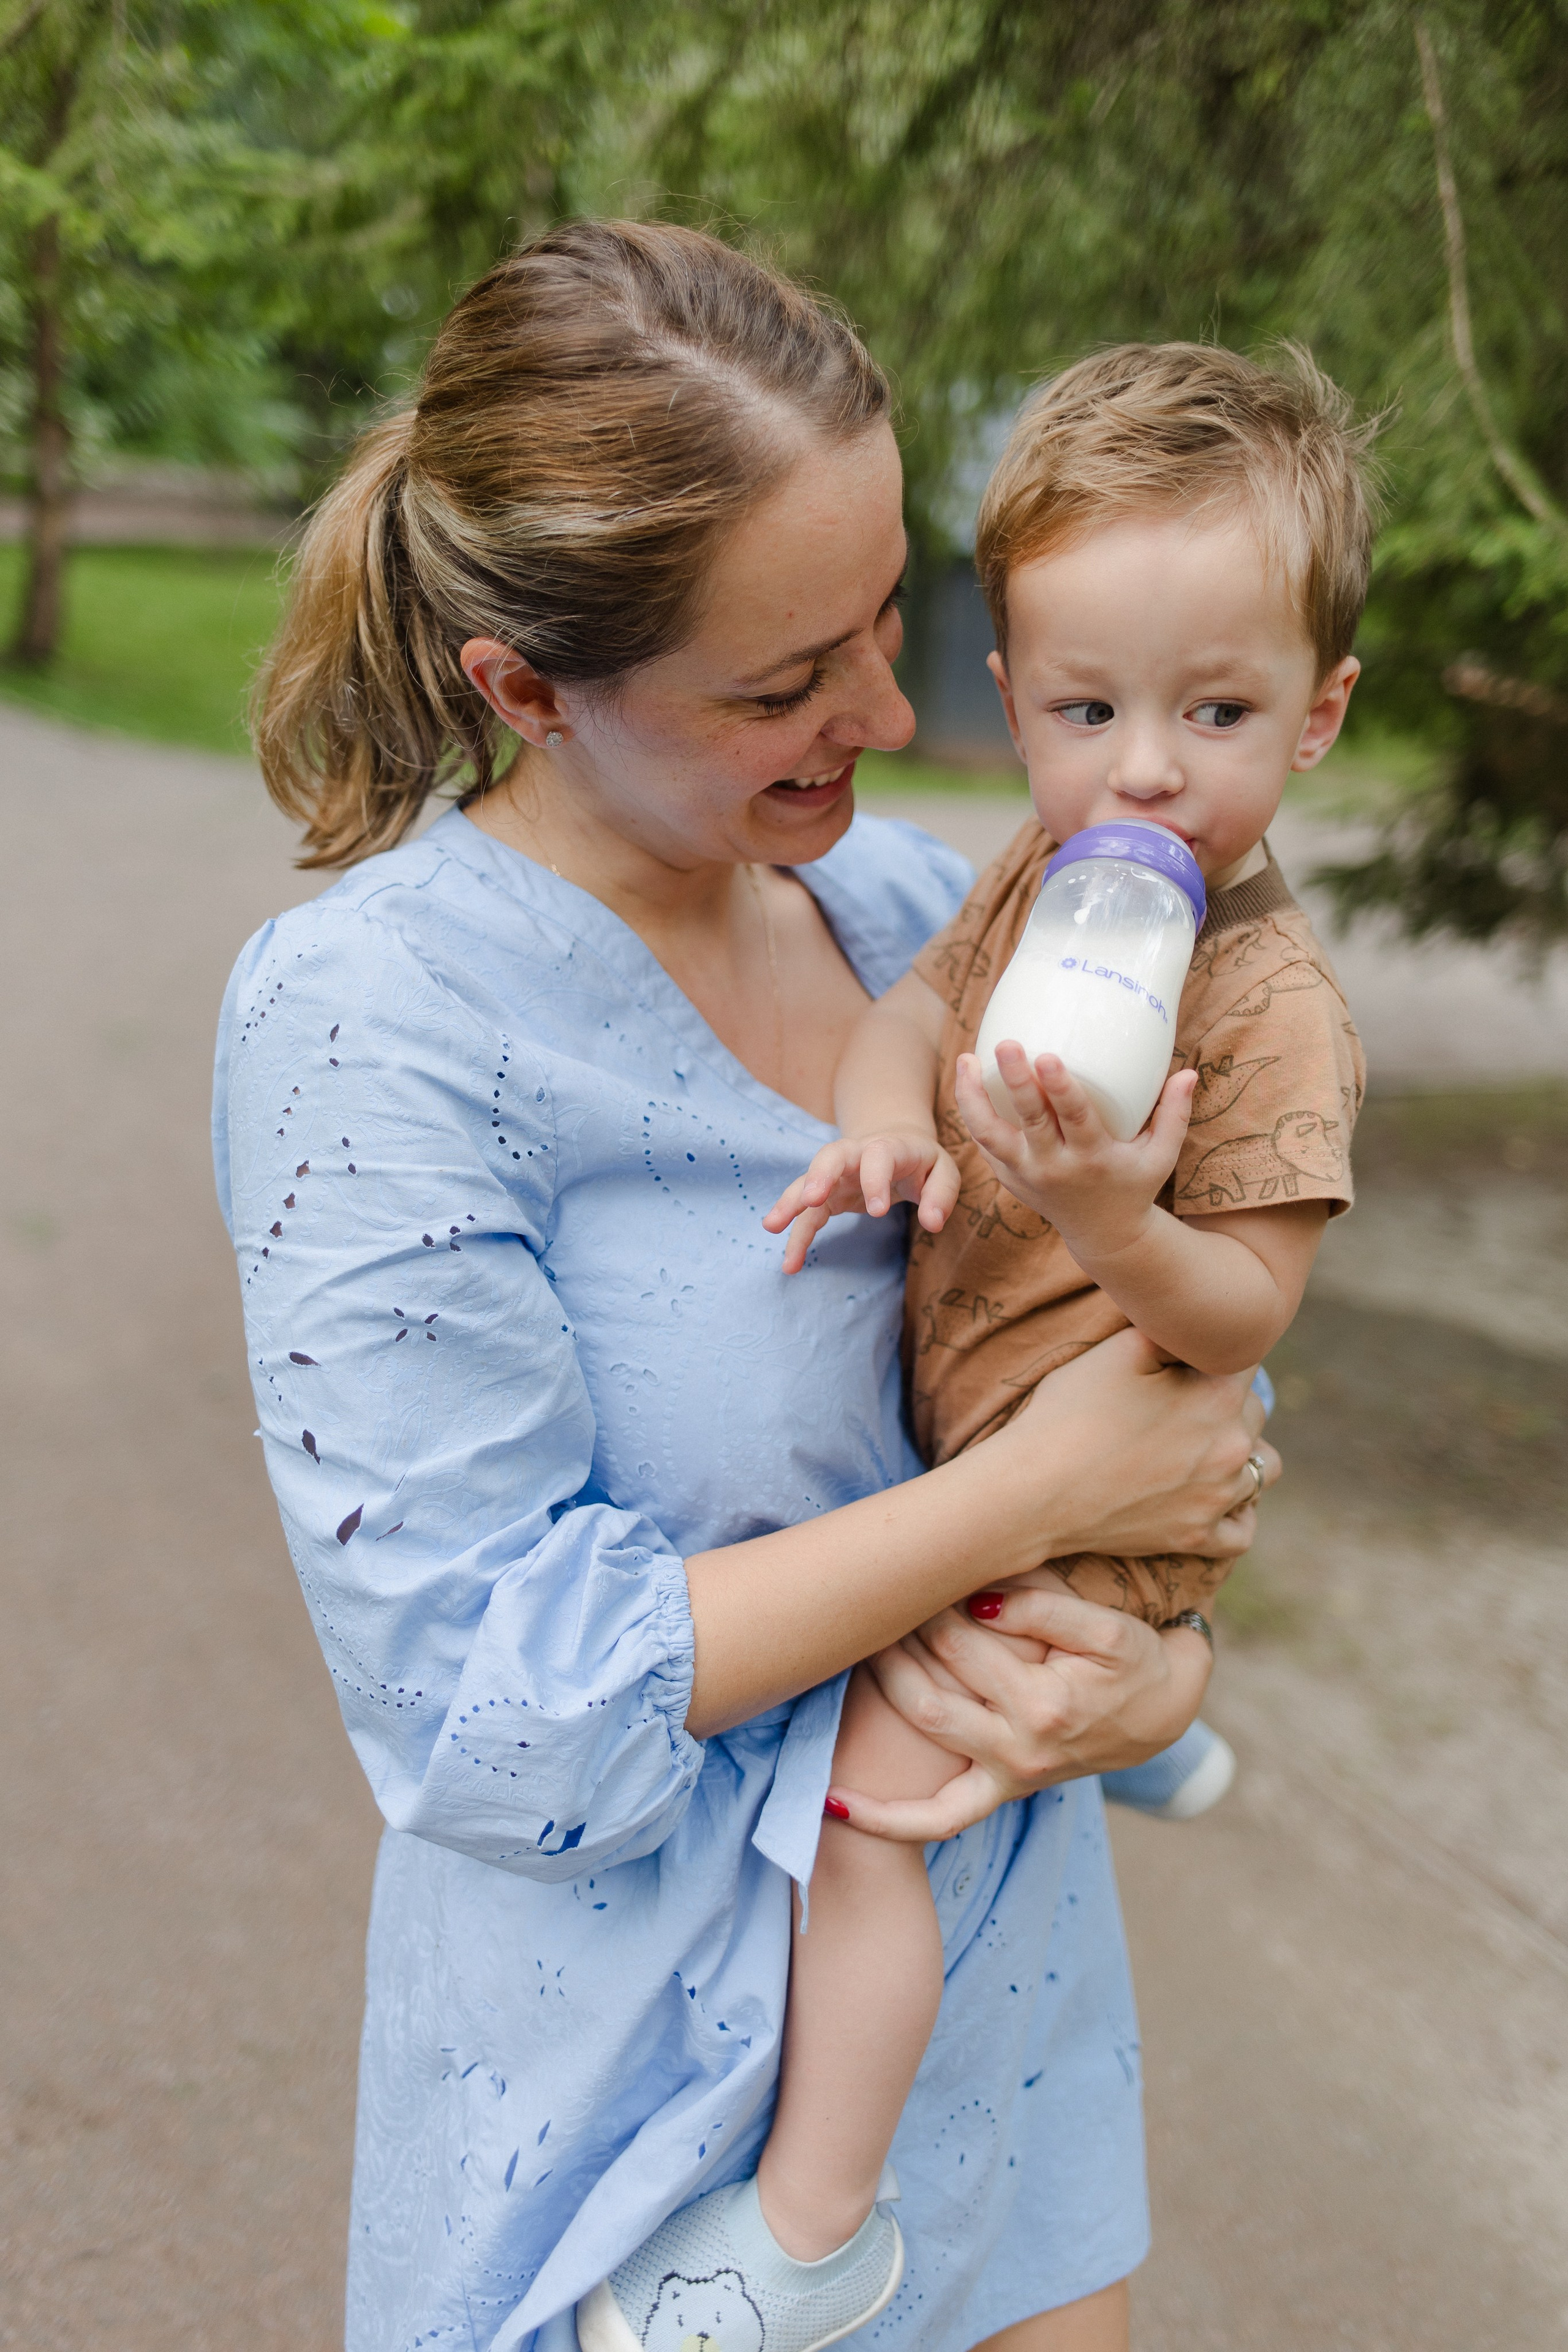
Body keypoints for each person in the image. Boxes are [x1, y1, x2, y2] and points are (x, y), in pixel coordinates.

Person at [217, 224, 1276, 2352]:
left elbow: (1154, 1371)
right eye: (785, 683)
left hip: (1008, 2050)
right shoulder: (371, 1020)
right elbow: (484, 1707)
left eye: (889, 625)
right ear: (524, 686)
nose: (887, 715)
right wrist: (1020, 1507)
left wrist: (1150, 1693)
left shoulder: (905, 914)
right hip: (633, 2146)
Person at [592, 344, 1367, 2350]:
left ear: (1321, 716)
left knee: (861, 1819)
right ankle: (1157, 1727)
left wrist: (1121, 1217)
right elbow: (921, 1018)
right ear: (1016, 699)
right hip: (1002, 1455)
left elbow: (1248, 1313)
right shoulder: (1031, 872)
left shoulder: (1270, 1004)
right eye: (1092, 710)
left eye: (1220, 714)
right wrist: (882, 1112)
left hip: (1085, 1499)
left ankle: (809, 2232)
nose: (1147, 774)